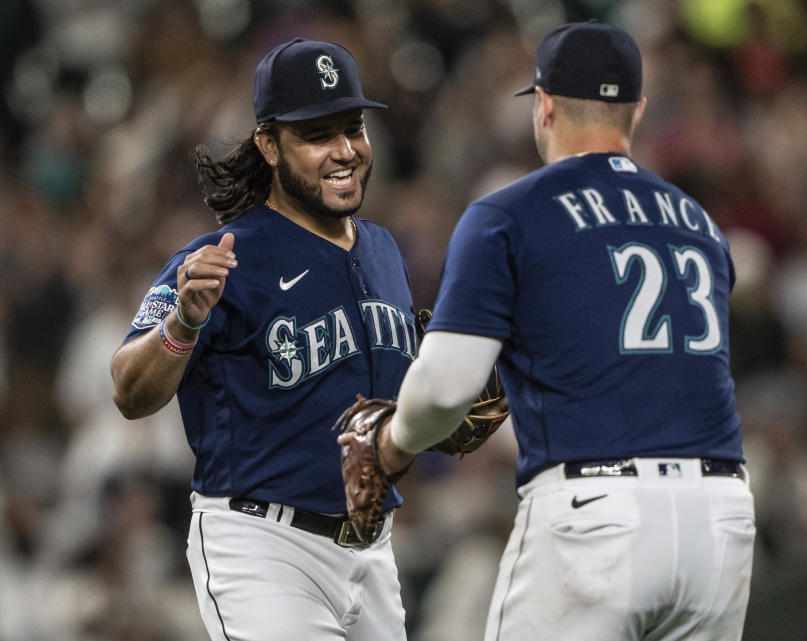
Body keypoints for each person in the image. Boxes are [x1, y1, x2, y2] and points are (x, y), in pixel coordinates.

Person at [364, 21, 756, 641]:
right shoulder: (700, 225)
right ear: (638, 110)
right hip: (721, 517)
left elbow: (444, 389)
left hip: (596, 515)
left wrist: (389, 445)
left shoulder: (508, 212)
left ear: (543, 106)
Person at [111, 38, 415, 641]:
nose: (345, 150)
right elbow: (128, 390)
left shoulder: (382, 249)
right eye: (317, 135)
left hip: (372, 548)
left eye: (353, 127)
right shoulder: (224, 258)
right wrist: (184, 324)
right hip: (264, 546)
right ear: (269, 145)